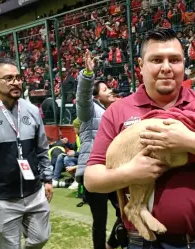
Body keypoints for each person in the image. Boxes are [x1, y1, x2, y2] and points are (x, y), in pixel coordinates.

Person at [84, 28, 195, 249]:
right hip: (145, 243)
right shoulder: (118, 111)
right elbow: (92, 179)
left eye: (175, 60)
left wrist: (190, 142)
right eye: (156, 60)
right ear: (140, 65)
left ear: (184, 65)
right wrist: (131, 172)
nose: (166, 68)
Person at [0, 58, 53, 249]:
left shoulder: (32, 110)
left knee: (40, 238)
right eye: (8, 78)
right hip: (1, 198)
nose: (16, 82)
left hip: (34, 193)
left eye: (18, 77)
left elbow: (42, 148)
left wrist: (47, 178)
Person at [76, 58, 120, 249]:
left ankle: (110, 245)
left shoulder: (115, 112)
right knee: (100, 221)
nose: (110, 90)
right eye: (104, 89)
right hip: (94, 171)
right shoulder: (89, 110)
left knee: (127, 212)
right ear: (95, 97)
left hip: (112, 171)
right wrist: (87, 74)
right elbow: (83, 96)